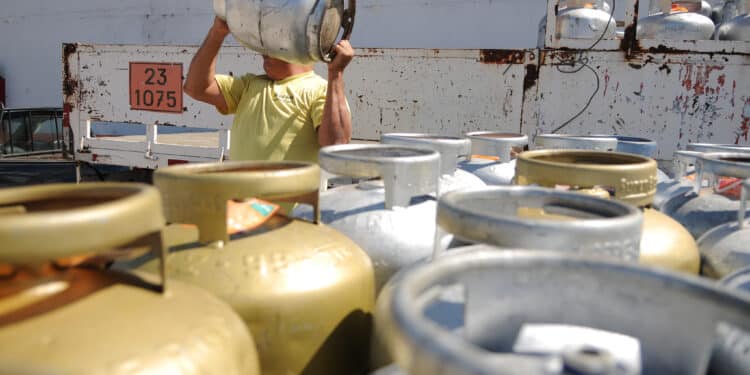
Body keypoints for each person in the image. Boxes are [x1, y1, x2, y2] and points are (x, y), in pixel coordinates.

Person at [183, 17, 354, 163]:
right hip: (244, 203)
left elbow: (336, 147)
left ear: (299, 46)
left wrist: (335, 74)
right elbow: (195, 88)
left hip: (294, 203)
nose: (263, 50)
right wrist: (216, 34)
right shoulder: (249, 85)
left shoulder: (321, 90)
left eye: (274, 41)